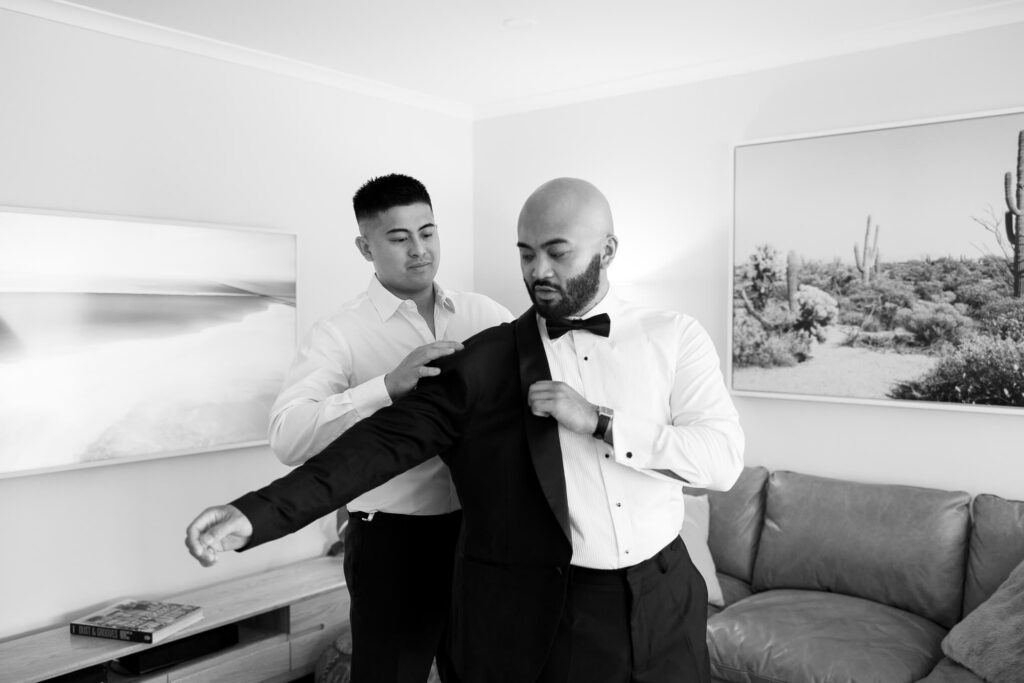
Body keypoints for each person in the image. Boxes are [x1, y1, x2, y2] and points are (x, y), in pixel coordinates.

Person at [186, 177, 744, 683]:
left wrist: (601, 421)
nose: (538, 272)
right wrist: (256, 514)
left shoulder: (675, 336)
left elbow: (721, 462)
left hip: (668, 592)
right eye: (526, 253)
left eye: (557, 253)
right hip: (557, 602)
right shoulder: (487, 355)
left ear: (609, 250)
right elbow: (377, 445)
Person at [267, 173, 513, 682]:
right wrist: (385, 387)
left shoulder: (486, 315)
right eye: (399, 238)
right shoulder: (339, 333)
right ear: (365, 247)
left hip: (481, 536)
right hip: (392, 547)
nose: (419, 250)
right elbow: (288, 436)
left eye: (428, 232)